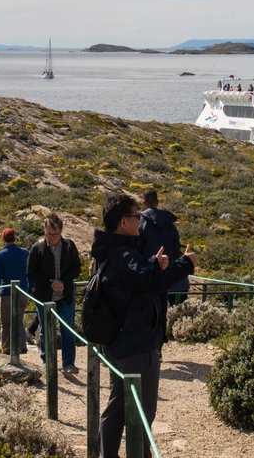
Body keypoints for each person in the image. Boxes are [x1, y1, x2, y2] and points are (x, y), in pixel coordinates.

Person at [92, 191, 195, 458]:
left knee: (117, 407)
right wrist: (185, 264)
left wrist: (151, 264)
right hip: (136, 345)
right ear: (123, 222)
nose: (140, 219)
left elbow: (136, 280)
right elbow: (150, 283)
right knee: (142, 412)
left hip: (120, 343)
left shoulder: (112, 251)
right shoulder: (124, 256)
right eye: (136, 216)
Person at [27, 212, 81, 373]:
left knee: (67, 329)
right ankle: (48, 361)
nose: (52, 237)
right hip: (44, 295)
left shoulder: (69, 246)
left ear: (61, 232)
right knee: (46, 329)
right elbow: (30, 272)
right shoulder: (37, 248)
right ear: (44, 231)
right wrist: (49, 283)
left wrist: (62, 282)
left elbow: (76, 268)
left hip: (65, 295)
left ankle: (68, 363)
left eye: (55, 234)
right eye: (49, 234)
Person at [138, 189, 190, 308]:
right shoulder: (170, 224)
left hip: (149, 279)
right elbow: (176, 248)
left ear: (143, 203)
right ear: (157, 202)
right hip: (173, 280)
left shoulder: (139, 224)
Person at [0, 227, 30, 355]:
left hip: (6, 293)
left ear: (3, 239)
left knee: (6, 323)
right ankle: (22, 347)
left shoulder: (0, 256)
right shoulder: (25, 253)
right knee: (19, 320)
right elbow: (29, 273)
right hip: (23, 291)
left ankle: (7, 348)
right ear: (15, 237)